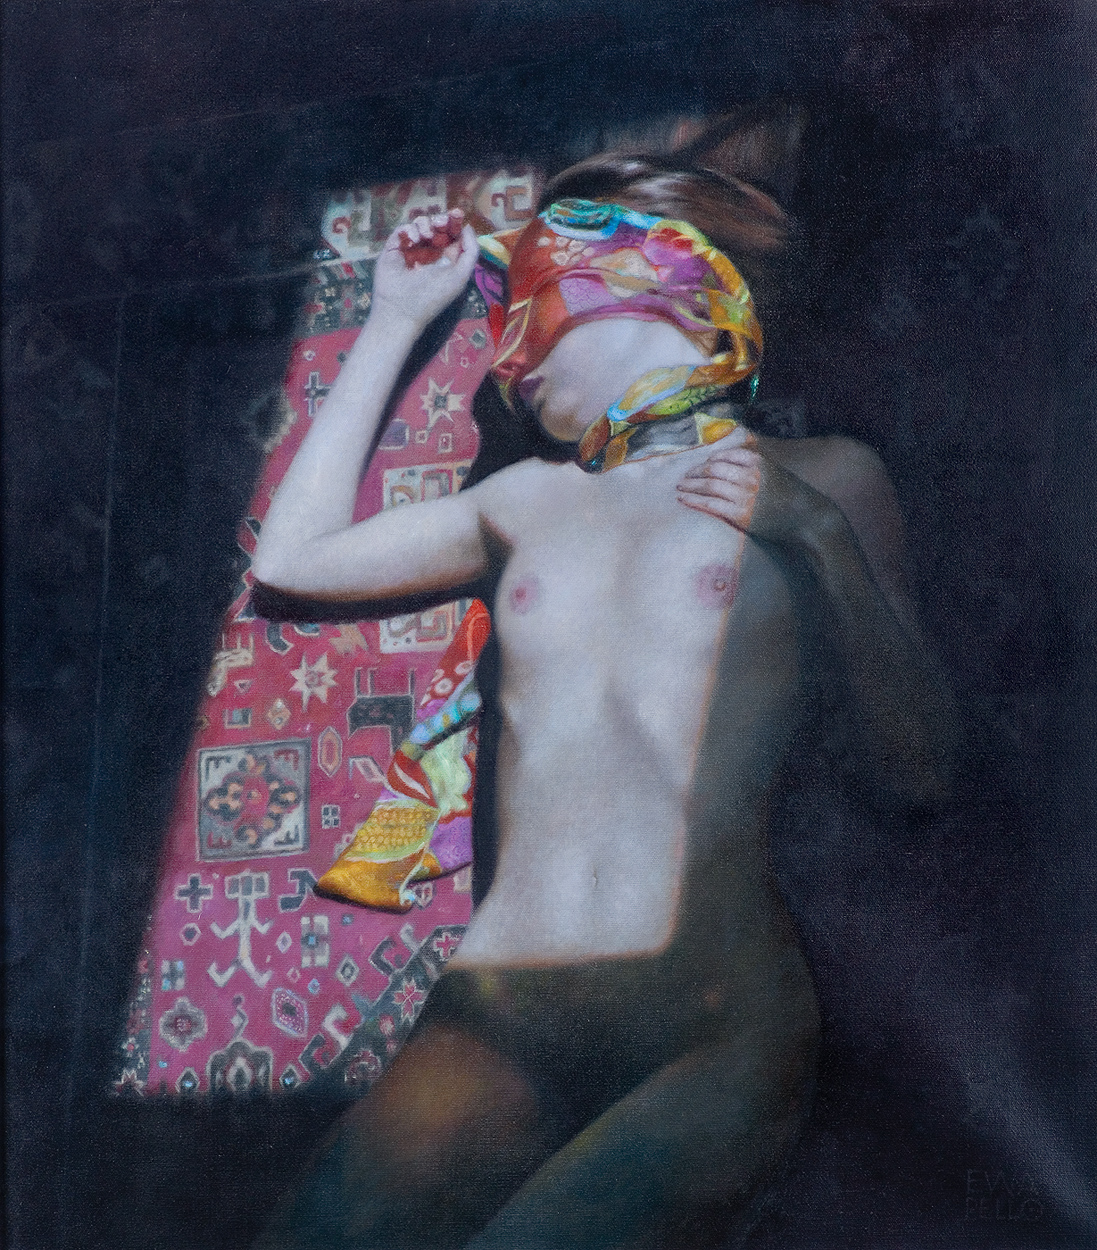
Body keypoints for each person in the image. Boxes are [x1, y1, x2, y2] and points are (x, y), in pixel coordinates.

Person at [251, 153, 953, 1250]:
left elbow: (919, 769)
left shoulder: (828, 477)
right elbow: (291, 563)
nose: (507, 363)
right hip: (495, 1019)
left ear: (673, 286)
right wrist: (395, 318)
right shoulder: (524, 499)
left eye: (531, 310)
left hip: (707, 1022)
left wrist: (822, 542)